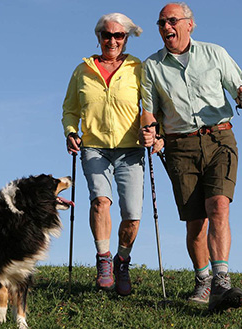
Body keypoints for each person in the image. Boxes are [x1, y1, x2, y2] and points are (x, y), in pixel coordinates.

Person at [140, 2, 242, 312]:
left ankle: (221, 281)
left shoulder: (215, 53)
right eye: (161, 22)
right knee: (195, 222)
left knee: (218, 205)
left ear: (190, 24)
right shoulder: (151, 66)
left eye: (172, 20)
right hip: (180, 146)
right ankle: (203, 280)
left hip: (219, 137)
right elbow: (149, 111)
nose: (166, 27)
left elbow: (241, 90)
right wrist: (149, 131)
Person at [61, 13, 144, 296]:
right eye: (107, 35)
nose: (112, 41)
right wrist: (72, 131)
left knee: (132, 215)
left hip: (131, 149)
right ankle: (104, 260)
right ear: (98, 37)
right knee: (100, 202)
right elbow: (70, 109)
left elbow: (151, 106)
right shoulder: (82, 70)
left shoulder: (138, 68)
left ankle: (122, 261)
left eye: (118, 36)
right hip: (94, 146)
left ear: (126, 39)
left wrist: (153, 132)